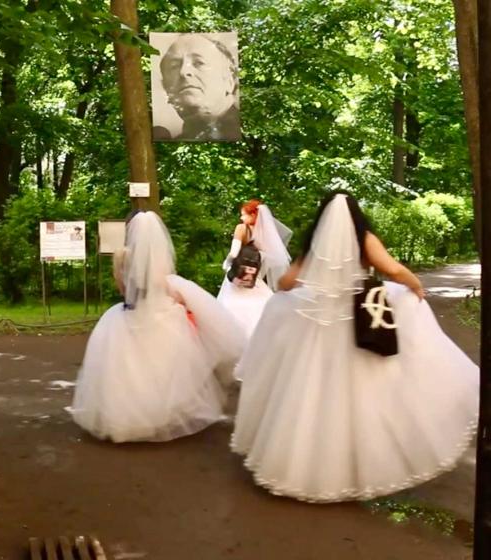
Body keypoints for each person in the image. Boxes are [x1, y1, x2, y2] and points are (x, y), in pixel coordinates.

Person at [231, 192, 478, 503]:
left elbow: (286, 282)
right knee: (362, 400)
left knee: (312, 397)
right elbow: (393, 269)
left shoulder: (314, 244)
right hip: (359, 324)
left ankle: (307, 466)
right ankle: (361, 464)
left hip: (316, 330)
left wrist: (306, 291)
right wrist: (414, 286)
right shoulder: (364, 239)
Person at [69, 211, 246, 443]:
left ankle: (124, 420)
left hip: (130, 314)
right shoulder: (158, 259)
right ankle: (162, 417)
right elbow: (165, 286)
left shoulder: (121, 256)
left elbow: (122, 289)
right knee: (165, 369)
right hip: (159, 314)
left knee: (126, 370)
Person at [218, 200, 291, 338]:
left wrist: (227, 264)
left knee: (231, 308)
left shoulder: (241, 228)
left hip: (238, 275)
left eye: (244, 215)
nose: (241, 218)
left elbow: (234, 253)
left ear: (253, 215)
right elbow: (268, 259)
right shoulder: (265, 234)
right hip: (254, 279)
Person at [154, 34, 241, 142]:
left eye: (199, 63)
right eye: (174, 66)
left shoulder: (248, 131)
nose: (184, 72)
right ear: (165, 87)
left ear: (229, 81)